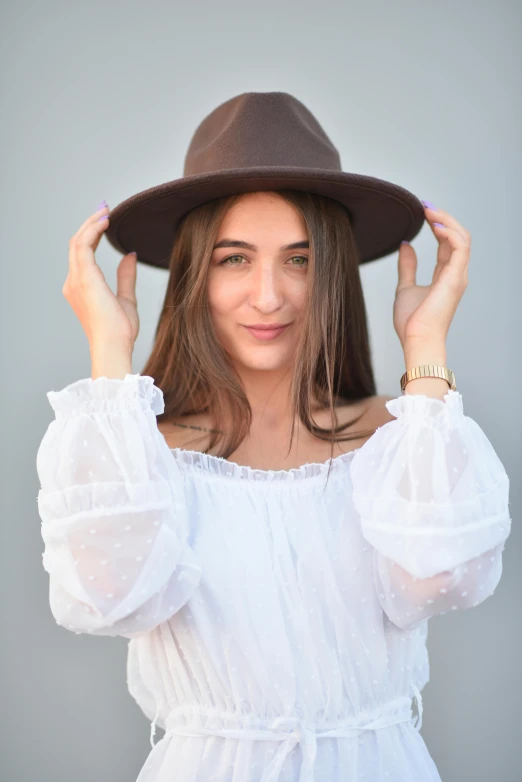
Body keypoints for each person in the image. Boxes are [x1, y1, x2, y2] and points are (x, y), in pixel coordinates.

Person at [36, 93, 511, 782]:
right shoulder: (141, 455)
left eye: (298, 259)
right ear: (196, 275)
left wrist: (426, 354)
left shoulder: (399, 437)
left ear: (333, 274)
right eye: (235, 260)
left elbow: (441, 577)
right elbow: (111, 595)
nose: (268, 296)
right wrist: (111, 360)